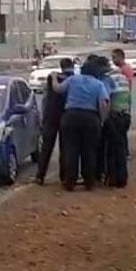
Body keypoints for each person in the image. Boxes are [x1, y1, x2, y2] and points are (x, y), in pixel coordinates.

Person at [52, 63, 109, 191]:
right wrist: (101, 119)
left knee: (71, 150)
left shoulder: (73, 79)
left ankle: (70, 181)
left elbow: (58, 89)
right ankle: (89, 181)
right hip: (90, 118)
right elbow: (103, 103)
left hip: (70, 116)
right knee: (89, 151)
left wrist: (54, 77)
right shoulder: (98, 84)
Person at [36, 58, 75, 185]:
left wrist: (43, 115)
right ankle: (64, 176)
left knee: (46, 147)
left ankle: (40, 176)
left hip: (51, 115)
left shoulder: (52, 78)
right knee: (66, 147)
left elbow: (45, 98)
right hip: (67, 115)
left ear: (61, 66)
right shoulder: (75, 79)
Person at [105, 53, 132, 187]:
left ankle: (113, 178)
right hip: (125, 115)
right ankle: (123, 178)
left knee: (112, 149)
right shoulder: (124, 79)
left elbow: (106, 99)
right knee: (121, 147)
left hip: (114, 116)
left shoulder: (109, 80)